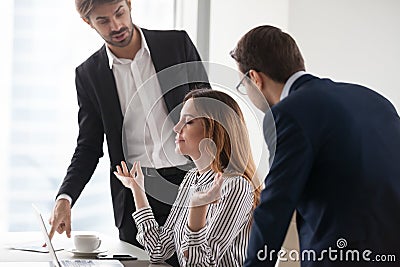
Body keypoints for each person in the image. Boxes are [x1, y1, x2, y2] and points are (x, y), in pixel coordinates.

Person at [49, 1, 206, 265]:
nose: (116, 26)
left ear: (129, 4)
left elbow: (213, 114)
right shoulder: (89, 75)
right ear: (88, 22)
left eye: (119, 13)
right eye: (103, 21)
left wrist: (237, 177)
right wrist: (65, 197)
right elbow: (88, 147)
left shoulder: (176, 45)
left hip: (193, 185)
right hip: (136, 195)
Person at [230, 25, 400, 267]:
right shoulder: (375, 100)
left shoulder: (288, 113)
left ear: (255, 78)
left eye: (243, 86)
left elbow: (276, 204)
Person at [114, 89, 261, 266]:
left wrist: (196, 209)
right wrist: (137, 189)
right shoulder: (192, 179)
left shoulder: (236, 186)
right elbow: (158, 249)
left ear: (215, 130)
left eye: (188, 121)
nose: (176, 128)